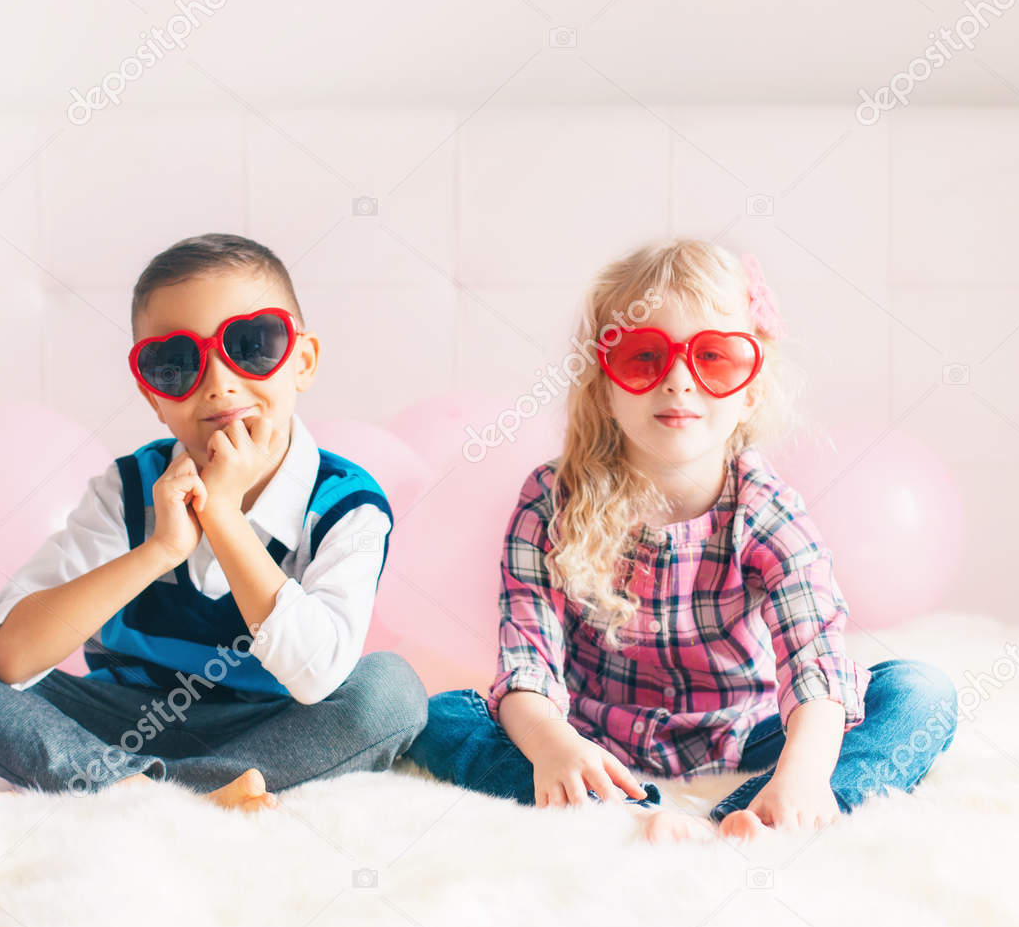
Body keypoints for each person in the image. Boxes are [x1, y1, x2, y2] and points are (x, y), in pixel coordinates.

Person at [404, 239, 958, 843]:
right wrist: (555, 745)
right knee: (440, 715)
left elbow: (816, 660)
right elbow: (526, 664)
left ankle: (748, 815)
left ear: (749, 385)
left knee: (919, 693)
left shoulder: (765, 508)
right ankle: (622, 809)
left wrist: (801, 772)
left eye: (713, 359)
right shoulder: (550, 501)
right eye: (644, 357)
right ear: (605, 385)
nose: (677, 381)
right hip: (597, 740)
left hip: (747, 735)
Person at [0, 233, 428, 810]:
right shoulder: (127, 491)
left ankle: (135, 792)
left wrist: (223, 517)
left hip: (271, 729)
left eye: (250, 344)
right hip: (114, 724)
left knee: (393, 692)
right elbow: (11, 659)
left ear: (302, 361)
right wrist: (162, 549)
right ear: (153, 397)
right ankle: (133, 785)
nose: (219, 383)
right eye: (177, 364)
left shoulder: (348, 505)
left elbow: (316, 675)